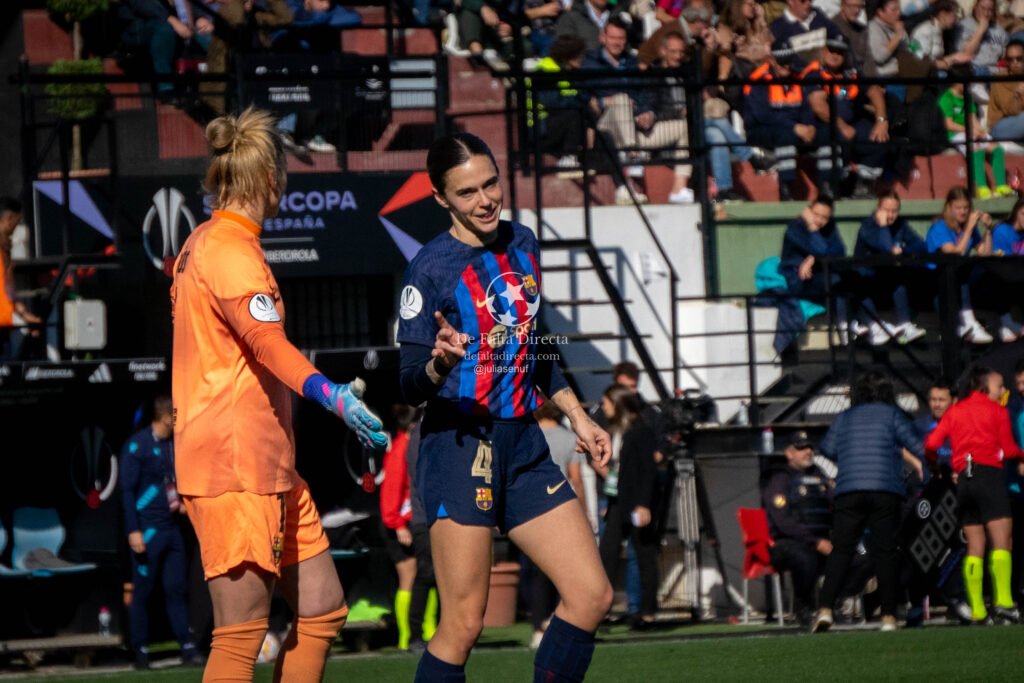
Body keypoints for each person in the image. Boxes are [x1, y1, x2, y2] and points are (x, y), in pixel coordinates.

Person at [171, 107, 389, 682]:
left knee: (322, 608)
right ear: (271, 178)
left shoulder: (207, 241)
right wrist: (333, 395)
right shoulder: (229, 251)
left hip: (267, 466)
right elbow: (267, 344)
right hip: (236, 468)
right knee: (241, 633)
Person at [397, 132, 613, 682]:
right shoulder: (429, 269)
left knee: (591, 595)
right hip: (459, 446)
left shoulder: (524, 242)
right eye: (467, 192)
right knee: (464, 623)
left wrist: (579, 417)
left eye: (490, 184)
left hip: (524, 444)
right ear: (441, 198)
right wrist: (441, 363)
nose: (486, 200)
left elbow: (533, 346)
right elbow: (408, 384)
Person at [811, 370, 925, 633]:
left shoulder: (844, 417)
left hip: (849, 489)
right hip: (885, 489)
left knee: (841, 550)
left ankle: (825, 609)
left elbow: (827, 448)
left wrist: (850, 456)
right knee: (885, 552)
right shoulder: (892, 415)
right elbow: (917, 446)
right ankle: (888, 616)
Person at [925, 365, 1024, 624]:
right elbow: (1009, 448)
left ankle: (978, 610)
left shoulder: (955, 411)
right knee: (1002, 542)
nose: (1003, 390)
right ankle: (1004, 603)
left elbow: (931, 444)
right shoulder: (997, 411)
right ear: (985, 387)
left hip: (964, 480)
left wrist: (934, 466)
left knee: (974, 546)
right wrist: (1021, 458)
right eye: (999, 386)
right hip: (988, 475)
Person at [120, 395, 200, 670]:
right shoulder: (137, 446)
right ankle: (140, 651)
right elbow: (127, 491)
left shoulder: (173, 445)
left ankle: (187, 647)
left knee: (176, 588)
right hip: (148, 531)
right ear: (166, 417)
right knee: (142, 591)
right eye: (176, 416)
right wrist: (133, 530)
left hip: (172, 529)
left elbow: (174, 482)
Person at [584, 18, 693, 205]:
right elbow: (583, 97)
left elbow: (646, 94)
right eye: (613, 38)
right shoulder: (591, 63)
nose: (617, 42)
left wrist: (648, 113)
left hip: (635, 128)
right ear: (603, 38)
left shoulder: (632, 62)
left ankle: (678, 188)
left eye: (621, 38)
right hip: (607, 126)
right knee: (621, 99)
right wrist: (603, 101)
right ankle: (633, 158)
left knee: (683, 126)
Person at [594, 384, 659, 629]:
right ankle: (601, 611)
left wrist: (644, 504)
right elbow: (617, 471)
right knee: (607, 553)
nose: (604, 408)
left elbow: (648, 471)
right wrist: (610, 501)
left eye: (607, 403)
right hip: (618, 500)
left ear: (618, 404)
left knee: (644, 555)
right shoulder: (615, 430)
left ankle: (647, 613)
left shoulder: (641, 430)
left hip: (636, 501)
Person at [529, 400, 589, 648]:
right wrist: (583, 512)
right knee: (562, 571)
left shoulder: (529, 435)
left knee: (537, 573)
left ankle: (538, 627)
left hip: (530, 508)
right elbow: (576, 480)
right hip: (560, 508)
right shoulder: (568, 438)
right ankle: (557, 622)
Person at [800, 34, 889, 199]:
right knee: (835, 138)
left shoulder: (851, 73)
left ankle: (864, 186)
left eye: (840, 52)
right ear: (823, 51)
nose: (835, 55)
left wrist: (881, 120)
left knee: (878, 137)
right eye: (831, 50)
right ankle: (832, 187)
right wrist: (842, 126)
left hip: (850, 123)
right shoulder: (814, 74)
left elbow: (874, 91)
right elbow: (819, 107)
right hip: (822, 125)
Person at [761, 430, 836, 626]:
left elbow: (836, 502)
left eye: (810, 447)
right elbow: (783, 522)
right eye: (802, 448)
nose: (808, 452)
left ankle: (834, 603)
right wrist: (815, 542)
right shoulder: (780, 478)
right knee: (806, 558)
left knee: (862, 555)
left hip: (824, 540)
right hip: (786, 545)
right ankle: (804, 607)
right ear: (789, 453)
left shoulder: (819, 475)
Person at [925, 186, 1007, 344]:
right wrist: (969, 229)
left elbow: (985, 253)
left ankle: (1003, 321)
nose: (962, 212)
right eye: (958, 208)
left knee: (987, 270)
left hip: (959, 278)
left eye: (966, 208)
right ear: (949, 207)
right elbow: (955, 254)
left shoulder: (967, 228)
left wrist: (988, 230)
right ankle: (968, 321)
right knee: (962, 269)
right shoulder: (939, 227)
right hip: (938, 282)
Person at [743, 40, 819, 201]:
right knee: (786, 136)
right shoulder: (759, 79)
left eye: (789, 61)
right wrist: (794, 127)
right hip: (761, 130)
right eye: (782, 62)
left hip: (795, 128)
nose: (786, 66)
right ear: (771, 60)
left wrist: (810, 126)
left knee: (827, 133)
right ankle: (786, 187)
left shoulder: (799, 77)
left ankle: (830, 186)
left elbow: (806, 107)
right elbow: (763, 115)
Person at [853, 190, 927, 346]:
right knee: (860, 280)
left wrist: (903, 249)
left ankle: (905, 325)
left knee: (901, 275)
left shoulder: (901, 224)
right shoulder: (868, 226)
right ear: (878, 208)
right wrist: (882, 225)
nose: (891, 215)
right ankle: (875, 326)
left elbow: (921, 245)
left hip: (887, 278)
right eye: (886, 210)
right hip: (866, 280)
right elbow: (886, 247)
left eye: (894, 211)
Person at [778, 196, 851, 339]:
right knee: (837, 281)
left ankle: (854, 325)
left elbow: (840, 251)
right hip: (798, 280)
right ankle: (845, 329)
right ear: (809, 211)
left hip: (819, 276)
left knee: (851, 278)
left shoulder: (829, 227)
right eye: (816, 214)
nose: (819, 220)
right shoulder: (796, 227)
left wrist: (813, 257)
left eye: (824, 217)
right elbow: (821, 250)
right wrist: (811, 227)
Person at [380, 405, 422, 652]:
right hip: (398, 524)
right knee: (410, 578)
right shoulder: (400, 450)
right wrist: (397, 525)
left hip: (409, 520)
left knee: (423, 575)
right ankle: (407, 635)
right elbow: (390, 493)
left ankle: (426, 630)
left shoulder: (410, 446)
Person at [938, 64, 1012, 200]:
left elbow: (972, 118)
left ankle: (1001, 186)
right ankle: (982, 188)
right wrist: (970, 131)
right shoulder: (946, 98)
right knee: (977, 150)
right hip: (955, 134)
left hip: (969, 131)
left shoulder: (968, 97)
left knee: (997, 149)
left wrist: (980, 131)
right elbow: (948, 124)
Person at [0, 197, 41, 359]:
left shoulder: (6, 251)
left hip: (5, 322)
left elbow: (8, 291)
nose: (16, 228)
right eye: (17, 223)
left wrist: (24, 315)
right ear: (9, 219)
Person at [988, 40, 1024, 141]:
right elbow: (1011, 110)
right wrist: (1019, 94)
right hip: (1000, 124)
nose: (1015, 62)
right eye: (1010, 59)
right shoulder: (1001, 79)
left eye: (1019, 58)